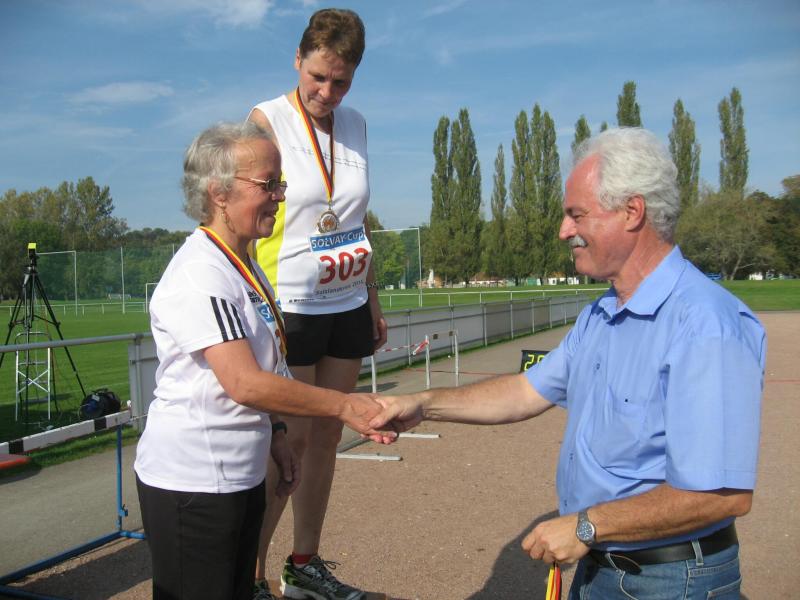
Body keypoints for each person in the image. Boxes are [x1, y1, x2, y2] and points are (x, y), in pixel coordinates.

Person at [370, 128, 766, 599]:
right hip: (602, 567)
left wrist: (587, 525)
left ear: (632, 212)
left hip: (671, 581)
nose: (563, 230)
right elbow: (525, 391)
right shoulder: (602, 313)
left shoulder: (706, 325)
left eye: (577, 214)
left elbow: (720, 495)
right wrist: (422, 404)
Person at [133, 122, 387, 600]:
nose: (280, 196)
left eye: (280, 183)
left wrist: (277, 433)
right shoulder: (201, 273)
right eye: (268, 184)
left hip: (239, 474)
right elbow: (245, 383)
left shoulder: (245, 266)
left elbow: (266, 368)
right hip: (195, 483)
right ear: (219, 193)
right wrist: (342, 405)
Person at [246, 9, 386, 600]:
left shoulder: (355, 124)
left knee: (329, 437)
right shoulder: (266, 120)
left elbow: (356, 219)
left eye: (342, 81)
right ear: (298, 60)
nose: (328, 93)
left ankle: (304, 565)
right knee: (292, 441)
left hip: (346, 299)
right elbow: (246, 212)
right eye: (318, 77)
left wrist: (373, 297)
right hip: (292, 303)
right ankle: (249, 576)